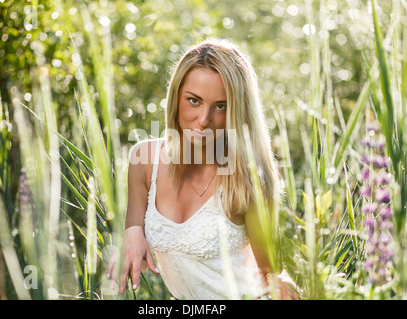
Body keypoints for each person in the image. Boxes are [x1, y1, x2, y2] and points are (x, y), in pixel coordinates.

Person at [107, 38, 298, 299]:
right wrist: (131, 236)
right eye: (194, 101)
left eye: (220, 106)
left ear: (237, 111)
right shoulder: (144, 160)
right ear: (176, 96)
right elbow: (134, 231)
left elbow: (271, 276)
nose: (204, 120)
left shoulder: (246, 178)